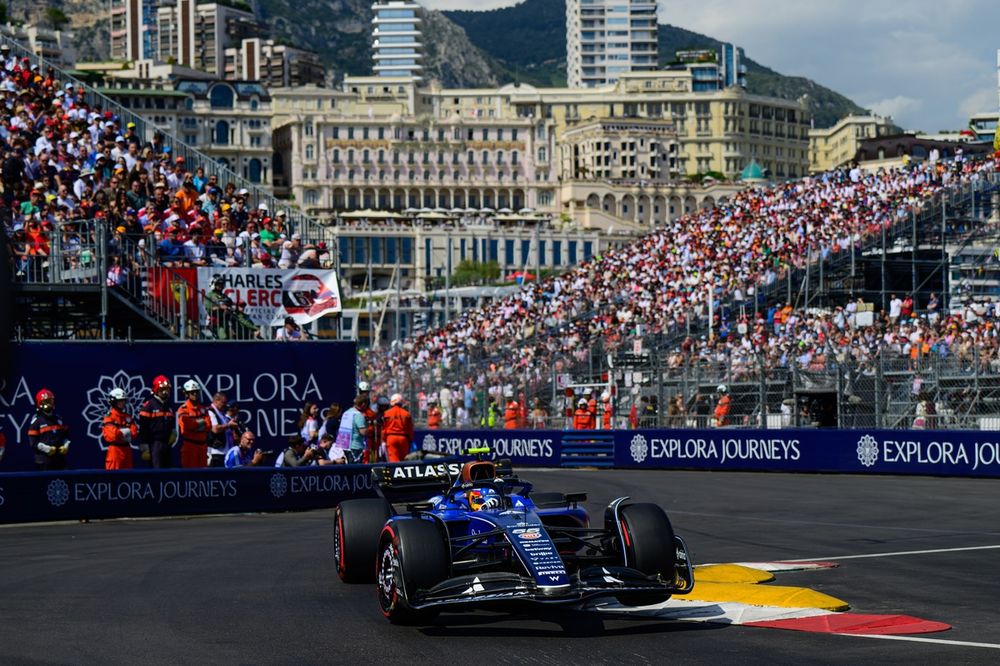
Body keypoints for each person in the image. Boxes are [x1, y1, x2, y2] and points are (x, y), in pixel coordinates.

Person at [27, 388, 70, 471]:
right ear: (40, 404)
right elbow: (33, 443)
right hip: (43, 462)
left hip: (60, 460)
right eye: (46, 402)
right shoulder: (36, 422)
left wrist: (66, 446)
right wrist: (47, 449)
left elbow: (67, 436)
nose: (49, 404)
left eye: (50, 401)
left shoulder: (59, 420)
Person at [138, 374, 176, 468]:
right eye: (162, 389)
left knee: (168, 472)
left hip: (167, 444)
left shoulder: (168, 406)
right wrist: (145, 448)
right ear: (156, 390)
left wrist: (173, 433)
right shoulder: (149, 406)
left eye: (167, 389)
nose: (165, 392)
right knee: (157, 472)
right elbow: (143, 429)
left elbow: (171, 424)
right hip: (154, 444)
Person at [177, 379, 211, 468]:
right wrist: (201, 423)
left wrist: (196, 425)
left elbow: (208, 425)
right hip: (190, 447)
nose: (195, 394)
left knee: (203, 474)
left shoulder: (203, 409)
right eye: (192, 392)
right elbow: (187, 426)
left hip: (203, 447)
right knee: (190, 475)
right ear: (187, 394)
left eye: (196, 392)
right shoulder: (183, 409)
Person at [103, 388, 138, 470]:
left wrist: (120, 432)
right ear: (113, 402)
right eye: (120, 401)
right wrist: (126, 432)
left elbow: (135, 432)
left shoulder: (127, 417)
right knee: (114, 479)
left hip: (127, 450)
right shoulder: (109, 417)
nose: (123, 403)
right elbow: (113, 435)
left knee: (128, 479)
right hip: (115, 451)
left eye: (123, 400)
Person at [335, 395, 369, 465]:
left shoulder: (346, 413)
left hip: (345, 446)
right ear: (363, 404)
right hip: (356, 447)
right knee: (356, 470)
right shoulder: (358, 415)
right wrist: (368, 425)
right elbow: (363, 432)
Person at [207, 392, 238, 467]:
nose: (225, 405)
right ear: (216, 400)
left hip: (225, 452)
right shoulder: (210, 412)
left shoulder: (221, 413)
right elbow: (215, 429)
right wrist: (228, 425)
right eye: (223, 402)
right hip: (216, 453)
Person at [382, 394, 414, 463]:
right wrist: (410, 439)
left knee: (393, 460)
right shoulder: (406, 414)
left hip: (391, 438)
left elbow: (384, 428)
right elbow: (410, 429)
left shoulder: (386, 413)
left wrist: (384, 439)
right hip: (403, 438)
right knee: (404, 460)